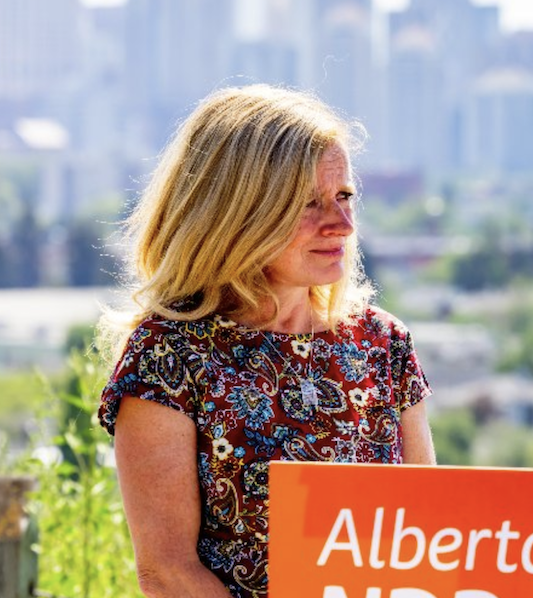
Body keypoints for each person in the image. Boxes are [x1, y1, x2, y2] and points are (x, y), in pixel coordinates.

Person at [95, 84, 436, 598]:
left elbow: (426, 537)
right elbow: (167, 573)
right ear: (237, 211)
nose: (341, 224)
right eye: (307, 204)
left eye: (345, 196)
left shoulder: (384, 344)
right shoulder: (168, 355)